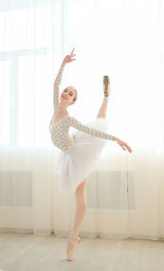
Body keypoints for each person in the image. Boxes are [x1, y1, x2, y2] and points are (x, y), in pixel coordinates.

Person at [49, 48, 132, 261]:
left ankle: (73, 237)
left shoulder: (67, 118)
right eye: (66, 91)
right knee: (79, 194)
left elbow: (90, 131)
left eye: (71, 94)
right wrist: (63, 64)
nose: (66, 93)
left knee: (99, 126)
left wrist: (116, 139)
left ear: (72, 102)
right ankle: (105, 97)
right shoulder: (55, 107)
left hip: (77, 154)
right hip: (69, 154)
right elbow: (55, 85)